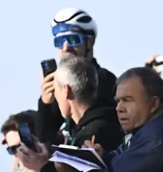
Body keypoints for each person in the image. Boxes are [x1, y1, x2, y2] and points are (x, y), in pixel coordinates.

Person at [36, 8, 117, 144]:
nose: (66, 47)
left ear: (89, 43)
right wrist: (46, 103)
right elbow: (44, 137)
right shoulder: (59, 83)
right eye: (59, 41)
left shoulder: (105, 80)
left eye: (73, 39)